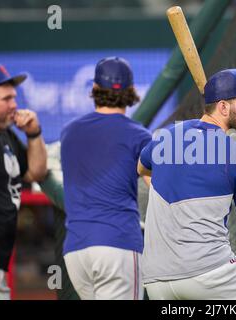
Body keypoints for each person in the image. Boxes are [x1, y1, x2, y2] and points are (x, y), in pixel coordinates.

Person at [138, 68, 236, 300]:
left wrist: (174, 189)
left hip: (156, 281)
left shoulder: (168, 135)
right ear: (223, 107)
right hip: (209, 274)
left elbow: (142, 168)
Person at [60, 57, 152, 300]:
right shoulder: (139, 136)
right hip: (117, 244)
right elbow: (159, 188)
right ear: (131, 92)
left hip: (76, 250)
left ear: (94, 89)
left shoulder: (69, 131)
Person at [0, 63, 47, 300]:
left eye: (14, 97)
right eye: (6, 98)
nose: (14, 104)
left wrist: (34, 133)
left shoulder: (4, 134)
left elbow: (34, 173)